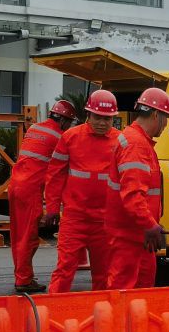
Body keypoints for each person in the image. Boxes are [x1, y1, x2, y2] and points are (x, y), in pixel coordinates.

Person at [44, 89, 120, 292]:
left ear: (113, 118)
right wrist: (52, 208)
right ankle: (52, 309)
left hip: (105, 221)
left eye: (107, 119)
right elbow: (55, 174)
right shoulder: (70, 137)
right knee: (64, 270)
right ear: (88, 115)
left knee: (104, 275)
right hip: (74, 218)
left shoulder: (121, 142)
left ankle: (102, 310)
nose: (102, 123)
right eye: (97, 117)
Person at [7, 98, 76, 293]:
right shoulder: (59, 137)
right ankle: (23, 280)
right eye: (69, 123)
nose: (69, 127)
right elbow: (64, 168)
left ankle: (22, 274)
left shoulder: (34, 128)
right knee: (28, 237)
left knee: (18, 235)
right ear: (63, 120)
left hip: (15, 185)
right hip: (30, 190)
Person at [107, 86, 169, 290]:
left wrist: (150, 224)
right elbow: (133, 195)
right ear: (156, 115)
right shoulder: (136, 145)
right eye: (166, 119)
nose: (165, 125)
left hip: (138, 234)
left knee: (142, 289)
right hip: (130, 236)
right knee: (123, 290)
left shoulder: (138, 141)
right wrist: (150, 225)